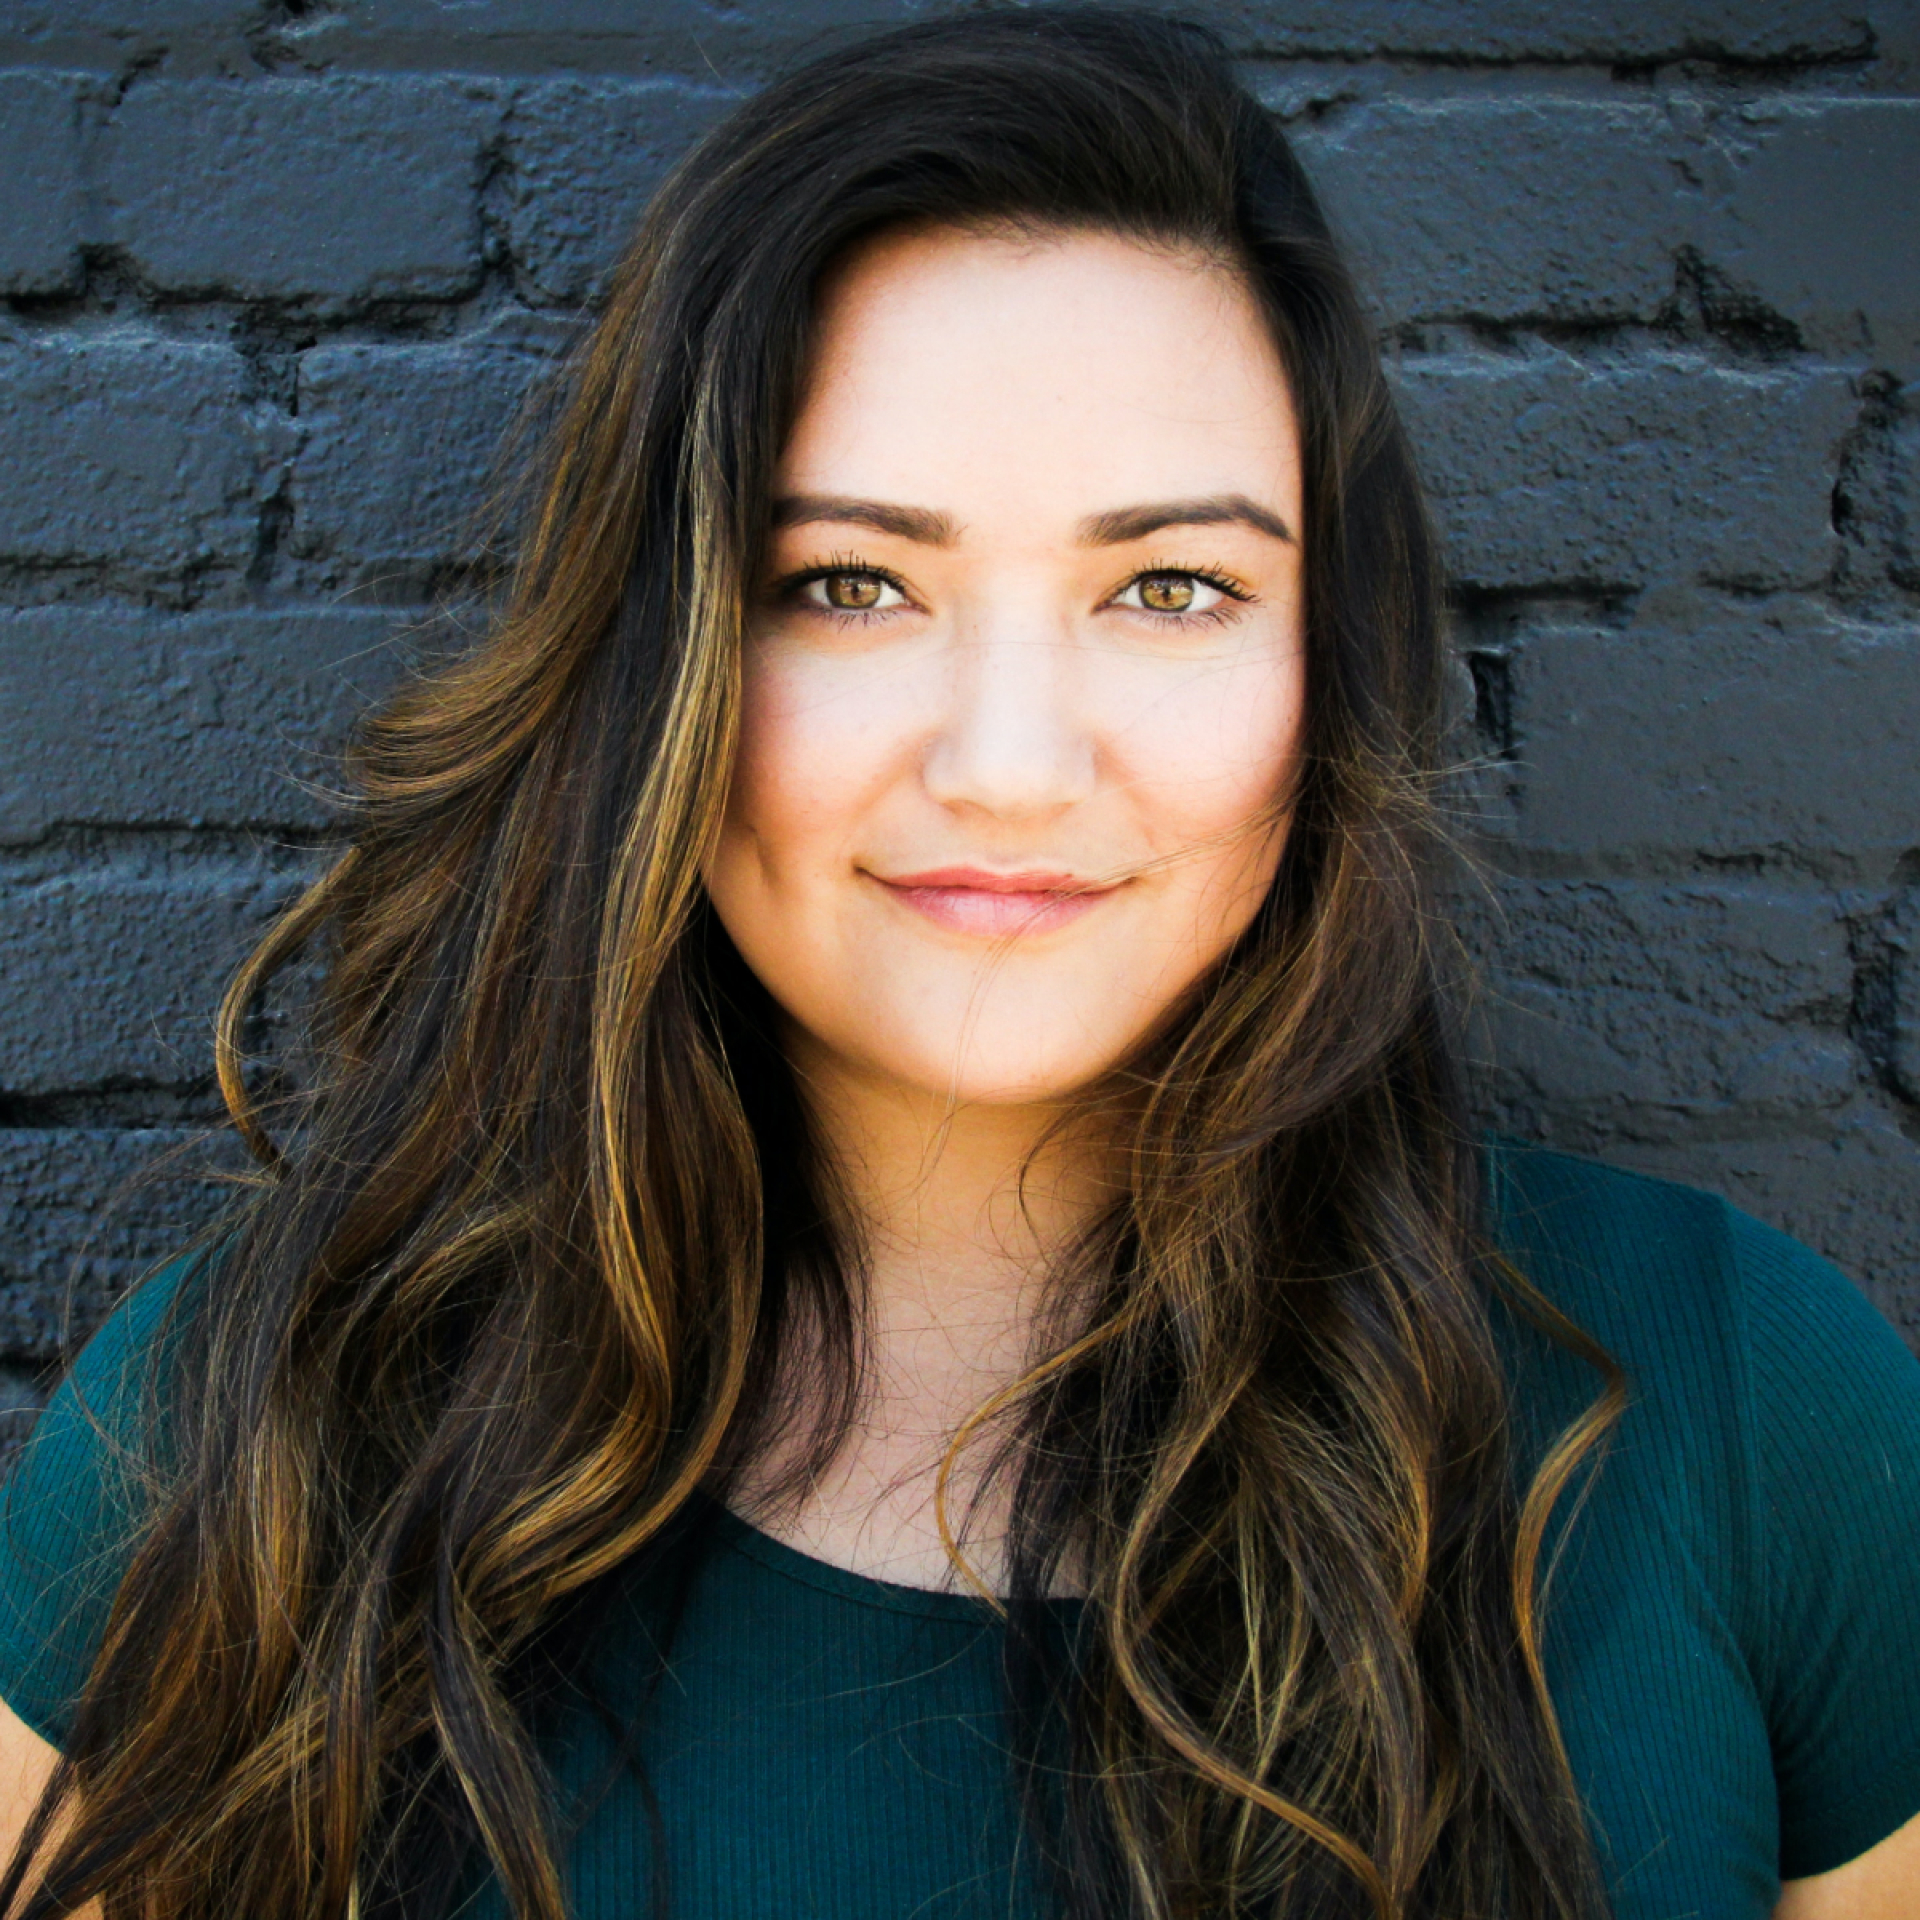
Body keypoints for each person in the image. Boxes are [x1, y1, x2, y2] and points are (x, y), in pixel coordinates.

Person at [1, 10, 1917, 1918]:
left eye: (1173, 588)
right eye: (851, 585)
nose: (1009, 765)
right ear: (661, 666)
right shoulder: (242, 1441)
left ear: (1326, 674)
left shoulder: (1750, 1415)